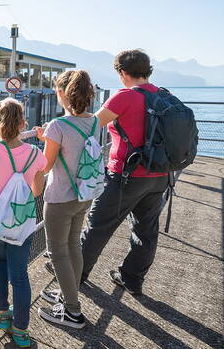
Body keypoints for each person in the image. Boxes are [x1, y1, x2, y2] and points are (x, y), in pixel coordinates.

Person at [80, 49, 170, 295]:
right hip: (159, 175)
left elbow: (90, 125)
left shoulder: (125, 97)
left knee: (98, 225)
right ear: (147, 70)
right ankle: (131, 278)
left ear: (122, 72)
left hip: (126, 176)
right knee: (146, 230)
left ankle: (75, 274)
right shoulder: (162, 95)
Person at [0, 98, 47, 348]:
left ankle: (2, 314)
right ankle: (21, 331)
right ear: (23, 123)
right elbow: (36, 190)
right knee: (20, 275)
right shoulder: (35, 153)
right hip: (21, 223)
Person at [34, 70, 97, 329]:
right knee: (74, 246)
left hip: (60, 198)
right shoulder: (93, 121)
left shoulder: (58, 125)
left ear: (62, 94)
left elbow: (46, 165)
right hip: (84, 194)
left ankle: (72, 311)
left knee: (58, 252)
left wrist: (44, 142)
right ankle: (66, 294)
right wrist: (47, 138)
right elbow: (73, 147)